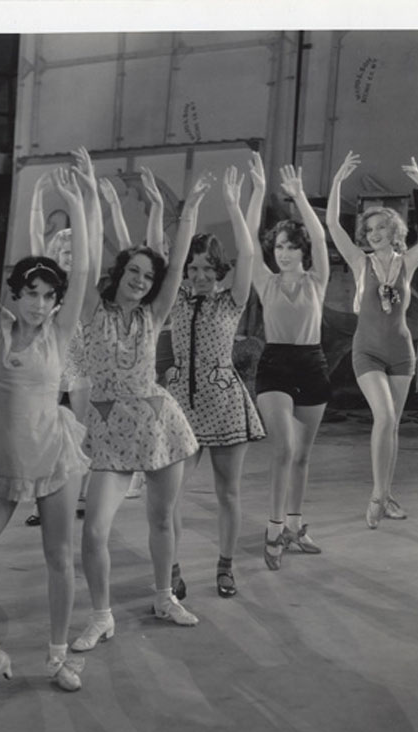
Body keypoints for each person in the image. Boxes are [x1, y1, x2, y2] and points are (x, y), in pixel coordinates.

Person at [0, 160, 92, 699]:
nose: (38, 304)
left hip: (52, 454)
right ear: (14, 294)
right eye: (30, 293)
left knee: (59, 558)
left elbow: (82, 270)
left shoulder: (58, 334)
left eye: (47, 295)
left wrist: (81, 204)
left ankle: (58, 655)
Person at [71, 158, 212, 652]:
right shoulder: (92, 309)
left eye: (147, 276)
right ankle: (101, 615)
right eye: (133, 271)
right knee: (95, 530)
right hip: (109, 426)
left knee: (161, 518)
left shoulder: (155, 313)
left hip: (157, 421)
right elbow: (86, 259)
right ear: (121, 272)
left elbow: (176, 266)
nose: (140, 279)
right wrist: (91, 194)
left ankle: (163, 595)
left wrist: (189, 211)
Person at [326, 151, 418, 528]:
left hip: (401, 353)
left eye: (381, 228)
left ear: (394, 231)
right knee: (384, 417)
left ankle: (387, 494)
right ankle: (378, 496)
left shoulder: (407, 262)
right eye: (370, 230)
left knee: (392, 425)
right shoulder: (359, 262)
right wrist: (337, 182)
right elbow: (332, 224)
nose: (374, 234)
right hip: (367, 352)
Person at [165, 165, 265, 598]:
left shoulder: (232, 301)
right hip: (182, 405)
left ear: (218, 270)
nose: (201, 274)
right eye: (194, 267)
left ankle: (225, 566)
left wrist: (231, 204)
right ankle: (169, 567)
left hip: (224, 403)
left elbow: (248, 255)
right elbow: (169, 257)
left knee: (229, 492)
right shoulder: (175, 299)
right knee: (170, 496)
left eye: (209, 267)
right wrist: (192, 207)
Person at [247, 154, 331, 569]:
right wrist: (259, 193)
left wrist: (299, 198)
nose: (283, 253)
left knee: (302, 455)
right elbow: (247, 243)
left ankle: (296, 527)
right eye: (278, 247)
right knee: (283, 449)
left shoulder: (318, 279)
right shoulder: (266, 281)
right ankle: (274, 529)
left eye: (290, 247)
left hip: (312, 364)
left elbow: (321, 239)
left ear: (302, 251)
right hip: (276, 365)